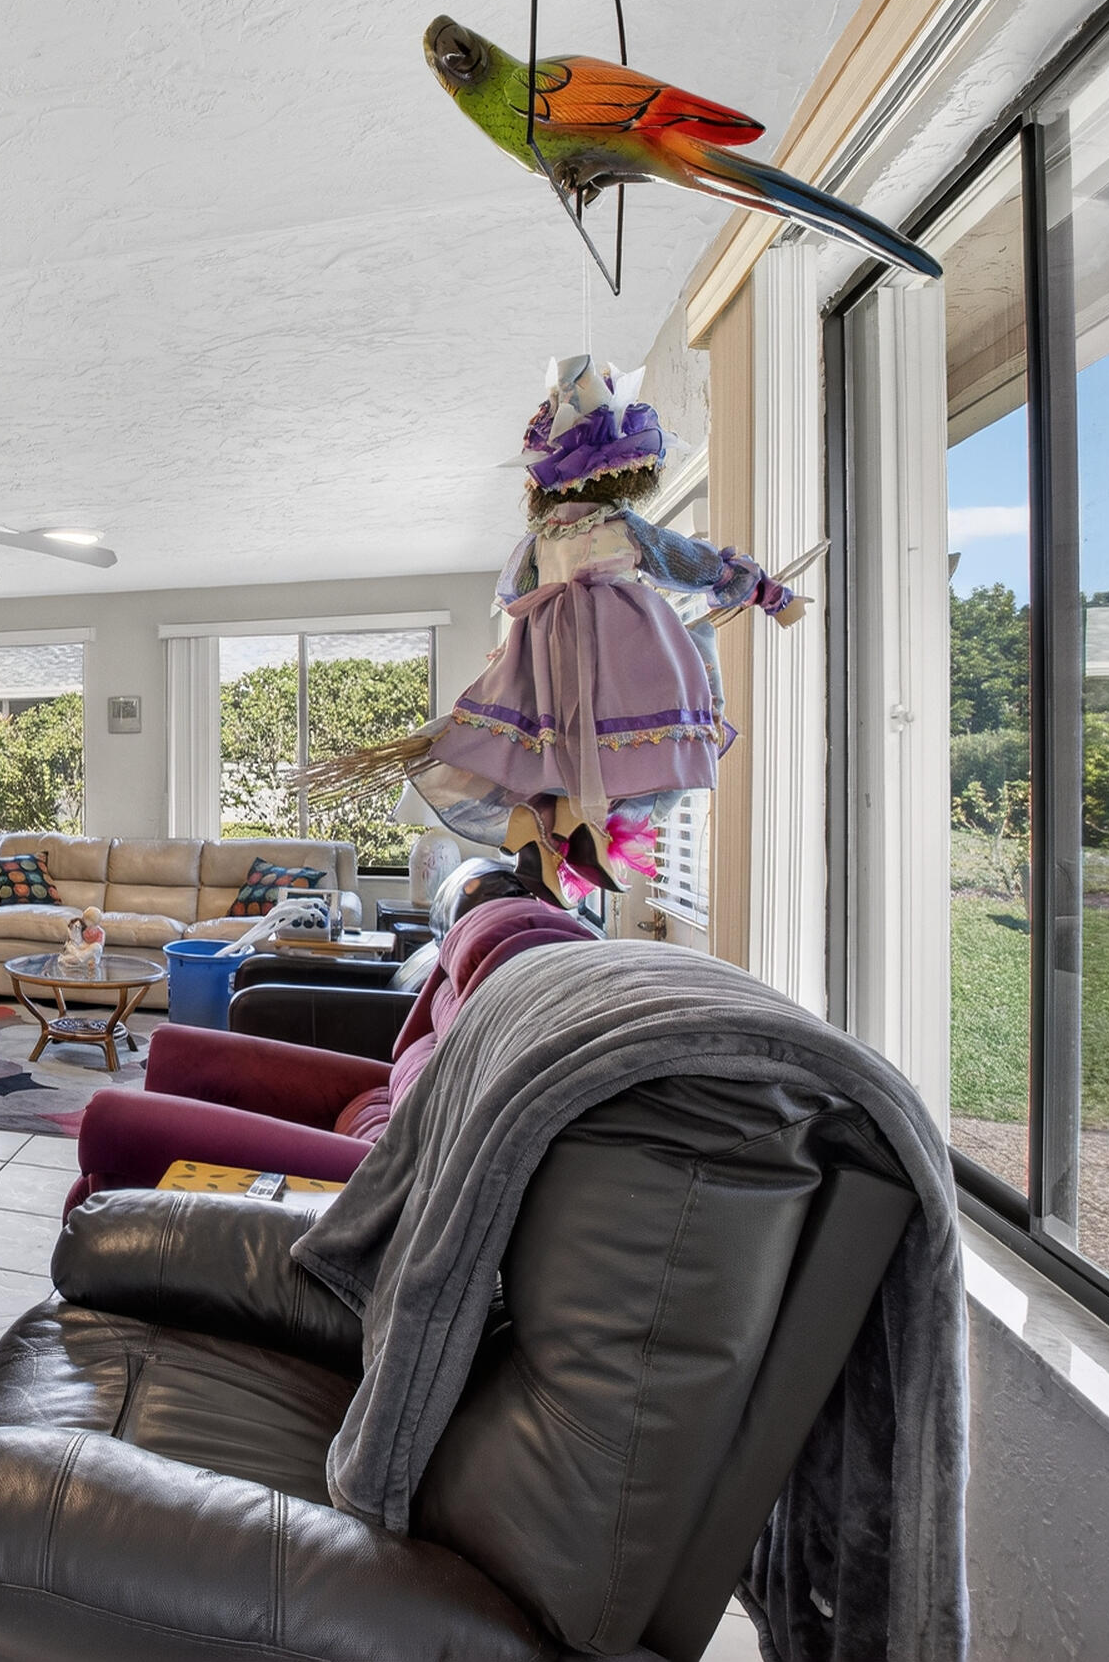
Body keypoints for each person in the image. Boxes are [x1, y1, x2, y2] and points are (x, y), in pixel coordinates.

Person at [315, 355, 807, 904]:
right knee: (632, 735)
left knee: (547, 751)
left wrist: (513, 647)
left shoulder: (539, 539)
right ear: (623, 469)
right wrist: (756, 587)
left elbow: (514, 595)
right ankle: (573, 833)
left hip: (547, 653)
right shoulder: (621, 525)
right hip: (617, 654)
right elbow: (687, 563)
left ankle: (555, 835)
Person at [66, 872, 599, 1209]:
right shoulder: (476, 983)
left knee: (116, 1122)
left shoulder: (491, 992)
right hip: (375, 1120)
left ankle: (119, 1187)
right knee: (174, 1051)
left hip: (370, 1172)